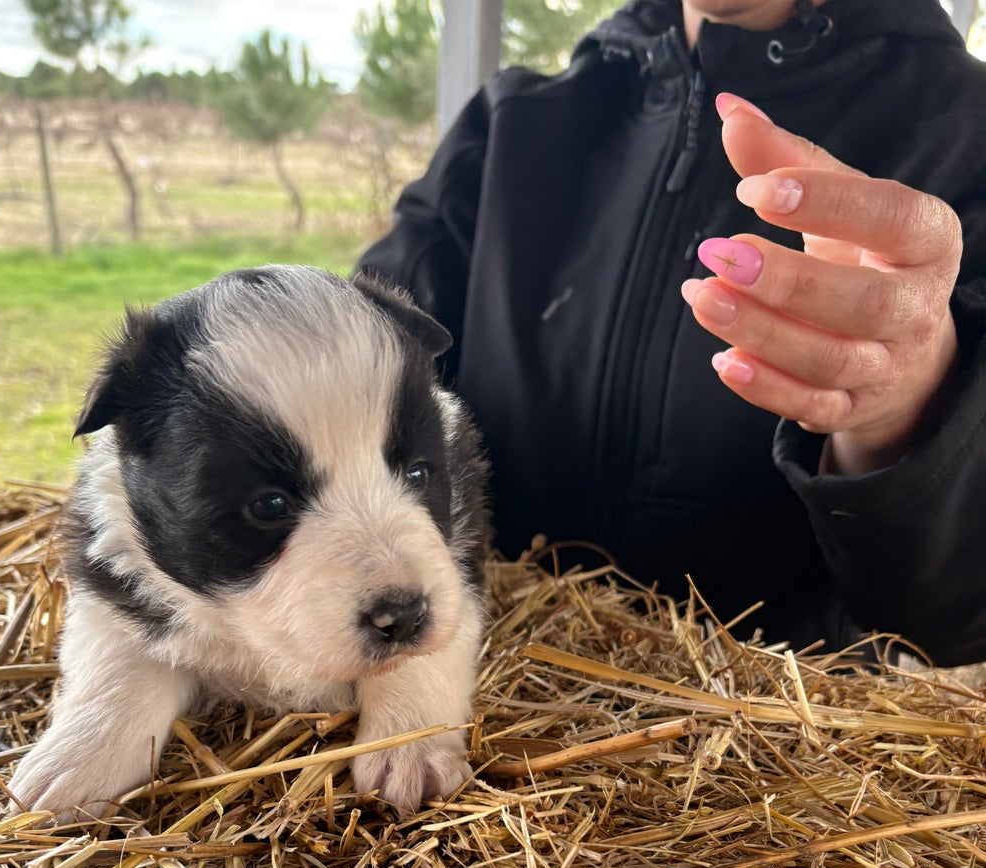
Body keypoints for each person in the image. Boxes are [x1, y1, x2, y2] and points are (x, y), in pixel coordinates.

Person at [357, 0, 986, 663]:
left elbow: (956, 622)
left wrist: (907, 416)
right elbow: (355, 371)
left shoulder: (967, 136)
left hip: (768, 715)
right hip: (472, 682)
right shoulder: (511, 123)